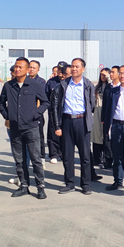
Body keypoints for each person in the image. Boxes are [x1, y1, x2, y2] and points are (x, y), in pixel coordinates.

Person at [0, 57, 50, 200]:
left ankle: (40, 187)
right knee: (19, 160)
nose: (17, 69)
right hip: (15, 128)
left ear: (27, 70)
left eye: (20, 67)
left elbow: (45, 102)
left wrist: (35, 115)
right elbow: (1, 103)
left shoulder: (34, 85)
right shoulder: (8, 86)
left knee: (36, 159)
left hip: (31, 128)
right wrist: (7, 115)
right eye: (16, 66)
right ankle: (24, 186)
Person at [50, 58, 95, 195]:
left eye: (77, 66)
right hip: (67, 122)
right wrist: (57, 126)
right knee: (67, 155)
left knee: (85, 156)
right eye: (73, 66)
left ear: (83, 69)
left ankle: (85, 184)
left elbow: (92, 104)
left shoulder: (88, 85)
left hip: (82, 122)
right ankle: (69, 183)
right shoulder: (63, 85)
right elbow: (55, 106)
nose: (74, 69)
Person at [44, 61, 69, 165]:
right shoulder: (51, 82)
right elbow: (45, 96)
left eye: (62, 70)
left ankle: (63, 153)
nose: (60, 72)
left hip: (65, 111)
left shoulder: (68, 82)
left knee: (65, 133)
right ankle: (53, 154)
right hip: (53, 111)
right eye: (58, 69)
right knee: (53, 132)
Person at [29, 60, 48, 170]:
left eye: (34, 68)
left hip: (37, 114)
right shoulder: (23, 80)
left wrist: (37, 112)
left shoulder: (41, 82)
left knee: (39, 137)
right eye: (30, 67)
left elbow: (43, 99)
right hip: (25, 115)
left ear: (38, 69)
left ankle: (42, 159)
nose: (31, 69)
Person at [91, 68, 111, 176]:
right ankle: (96, 159)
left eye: (105, 75)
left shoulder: (110, 86)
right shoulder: (97, 87)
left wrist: (109, 78)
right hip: (97, 112)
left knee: (106, 137)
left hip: (107, 112)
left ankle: (107, 160)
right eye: (102, 75)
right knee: (96, 136)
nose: (103, 77)